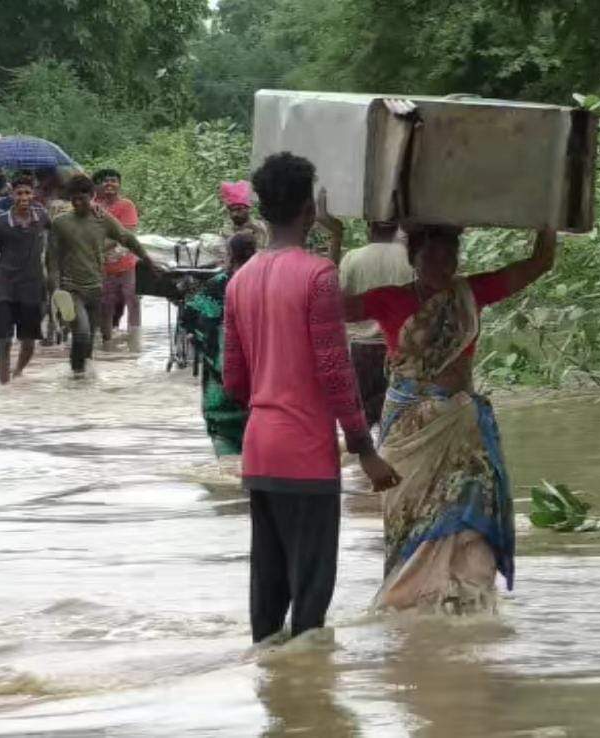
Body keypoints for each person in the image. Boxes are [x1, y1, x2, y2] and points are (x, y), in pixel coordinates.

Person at [222, 152, 400, 644]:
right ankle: (308, 701)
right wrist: (365, 450)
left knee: (267, 594)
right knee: (310, 603)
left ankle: (274, 699)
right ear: (309, 209)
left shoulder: (239, 280)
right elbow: (334, 370)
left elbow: (233, 379)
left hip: (260, 450)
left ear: (262, 209)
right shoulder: (318, 276)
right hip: (306, 454)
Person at [343, 223, 558, 614]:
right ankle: (411, 604)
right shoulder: (389, 299)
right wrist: (333, 237)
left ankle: (466, 599)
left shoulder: (470, 293)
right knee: (411, 518)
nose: (442, 266)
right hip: (410, 426)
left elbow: (540, 263)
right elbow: (328, 307)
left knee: (470, 513)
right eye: (431, 257)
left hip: (461, 420)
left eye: (449, 257)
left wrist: (547, 214)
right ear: (413, 260)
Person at [48, 175, 160, 377]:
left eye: (83, 198)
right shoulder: (60, 223)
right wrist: (55, 290)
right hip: (71, 288)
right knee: (81, 333)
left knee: (89, 341)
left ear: (92, 196)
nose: (78, 203)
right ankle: (76, 374)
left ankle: (81, 383)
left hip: (96, 287)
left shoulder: (102, 219)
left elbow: (127, 238)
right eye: (74, 199)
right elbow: (52, 260)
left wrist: (149, 261)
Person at [181, 232, 257, 456]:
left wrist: (202, 342)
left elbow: (189, 318)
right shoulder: (265, 284)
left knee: (226, 455)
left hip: (220, 394)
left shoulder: (218, 285)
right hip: (260, 393)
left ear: (229, 256)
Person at [337, 221, 412, 427]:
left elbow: (341, 302)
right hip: (400, 350)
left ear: (369, 226)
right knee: (398, 419)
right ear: (396, 226)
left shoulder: (352, 258)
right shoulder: (410, 258)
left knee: (362, 423)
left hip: (361, 349)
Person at [0, 175, 50, 384]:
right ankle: (4, 385)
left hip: (32, 288)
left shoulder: (42, 217)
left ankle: (18, 372)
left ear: (34, 194)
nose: (24, 197)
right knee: (4, 340)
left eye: (28, 193)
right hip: (5, 288)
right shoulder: (1, 223)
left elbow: (60, 235)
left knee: (29, 342)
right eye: (19, 193)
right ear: (12, 194)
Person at [92, 168, 142, 351]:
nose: (109, 184)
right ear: (99, 185)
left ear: (119, 184)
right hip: (100, 264)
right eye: (105, 181)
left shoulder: (126, 205)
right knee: (105, 303)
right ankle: (106, 342)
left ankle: (135, 342)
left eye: (113, 181)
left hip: (125, 262)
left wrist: (102, 245)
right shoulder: (93, 205)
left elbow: (127, 233)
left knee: (132, 299)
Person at [220, 180, 269, 250]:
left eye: (239, 209)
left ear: (248, 209)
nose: (235, 214)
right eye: (231, 210)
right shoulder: (226, 230)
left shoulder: (259, 228)